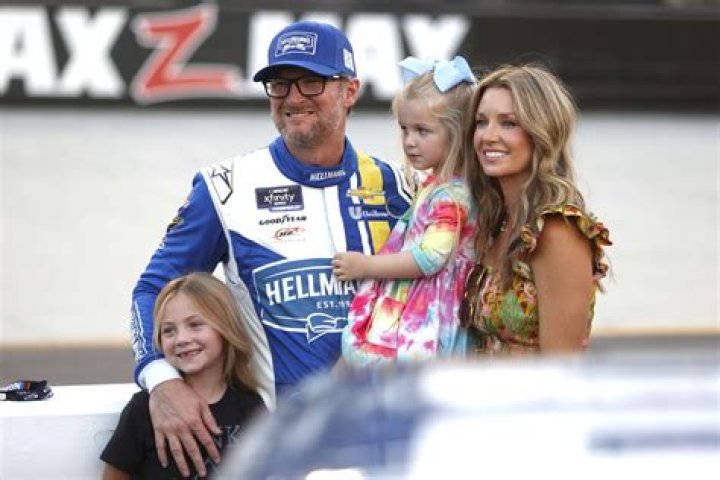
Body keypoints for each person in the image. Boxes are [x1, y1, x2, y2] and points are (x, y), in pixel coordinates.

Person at [129, 20, 412, 477]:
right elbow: (151, 290)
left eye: (311, 81)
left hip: (388, 443)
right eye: (279, 84)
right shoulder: (225, 188)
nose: (293, 98)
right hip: (284, 451)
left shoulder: (399, 186)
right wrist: (160, 380)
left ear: (350, 91)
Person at [333, 56, 478, 365]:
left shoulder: (452, 194)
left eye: (422, 131)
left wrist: (366, 266)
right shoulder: (436, 185)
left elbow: (430, 257)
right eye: (404, 129)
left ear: (457, 132)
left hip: (429, 318)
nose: (409, 142)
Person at [459, 64, 612, 355]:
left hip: (532, 387)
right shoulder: (494, 221)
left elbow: (561, 365)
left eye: (508, 123)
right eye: (481, 122)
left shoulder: (557, 230)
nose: (488, 136)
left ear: (542, 132)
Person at [103, 273, 266, 479]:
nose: (181, 339)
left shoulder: (254, 407)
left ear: (226, 327)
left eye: (195, 324)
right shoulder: (143, 409)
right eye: (168, 330)